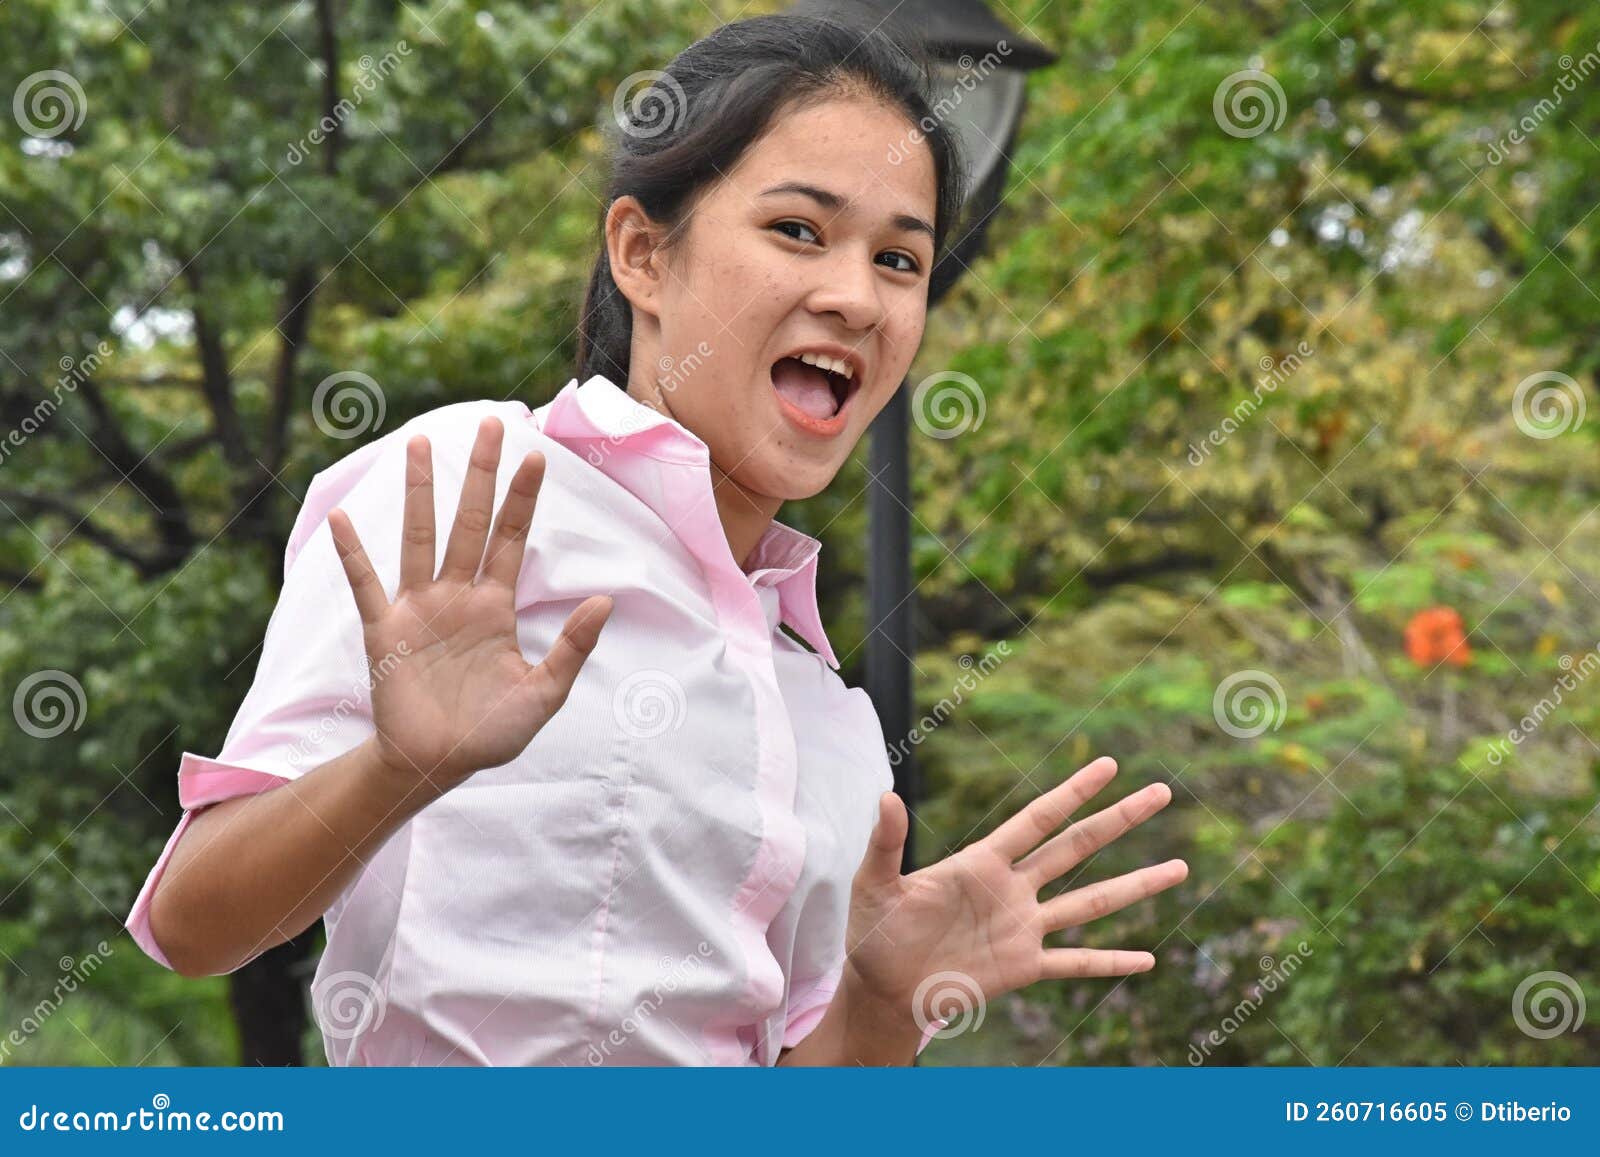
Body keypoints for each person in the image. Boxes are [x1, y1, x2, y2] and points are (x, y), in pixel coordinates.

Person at [124, 11, 1187, 1066]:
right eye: (798, 230)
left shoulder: (829, 716)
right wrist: (399, 767)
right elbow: (193, 921)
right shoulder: (476, 488)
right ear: (642, 253)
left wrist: (878, 1003)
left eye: (900, 260)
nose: (857, 297)